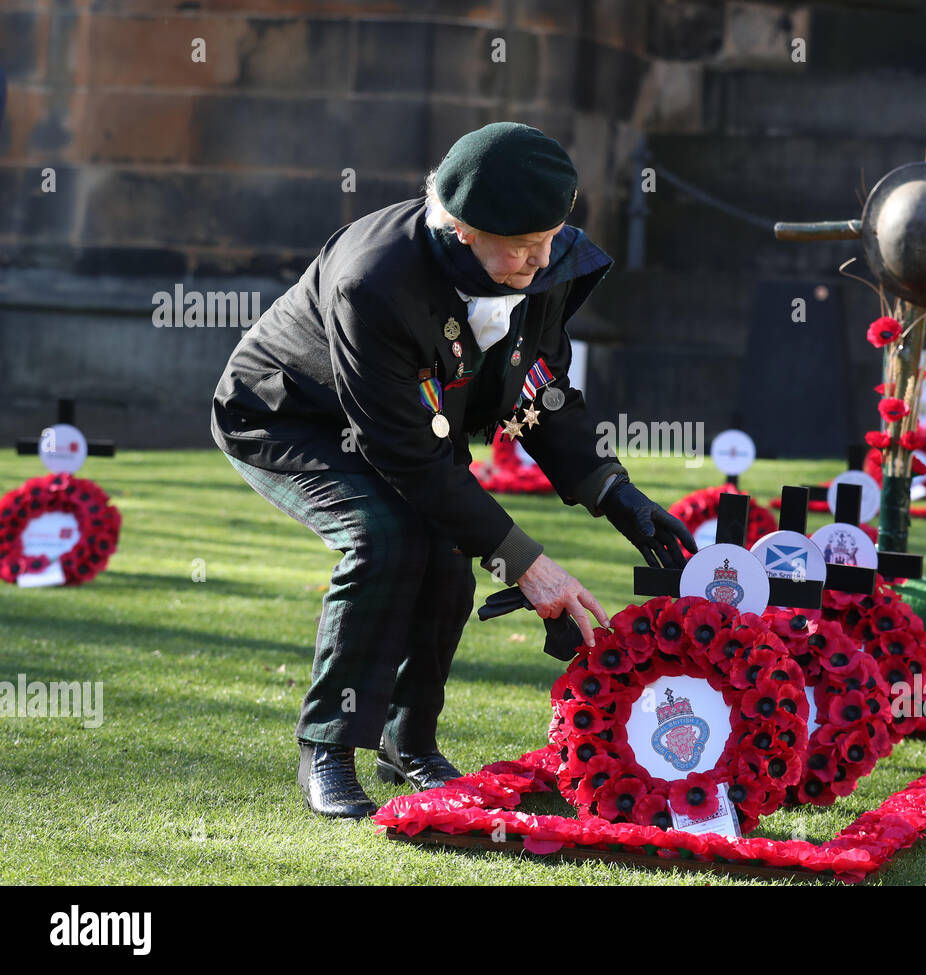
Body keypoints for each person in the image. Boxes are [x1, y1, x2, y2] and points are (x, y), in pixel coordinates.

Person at [210, 122, 697, 818]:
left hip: (402, 422)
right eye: (520, 246)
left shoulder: (542, 258)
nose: (537, 261)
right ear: (462, 227)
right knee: (384, 537)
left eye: (549, 239)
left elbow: (541, 390)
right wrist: (528, 565)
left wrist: (614, 492)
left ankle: (409, 741)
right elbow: (408, 456)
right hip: (288, 415)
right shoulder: (374, 280)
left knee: (444, 550)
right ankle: (329, 746)